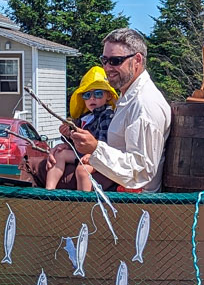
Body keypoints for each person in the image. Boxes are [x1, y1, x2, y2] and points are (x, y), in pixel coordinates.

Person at [61, 28, 172, 192]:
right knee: (39, 165)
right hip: (116, 192)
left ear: (137, 60)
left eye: (115, 61)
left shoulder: (144, 105)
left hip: (132, 204)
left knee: (37, 170)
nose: (107, 67)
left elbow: (141, 172)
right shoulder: (128, 98)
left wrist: (95, 148)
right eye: (104, 60)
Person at [42, 66, 117, 191]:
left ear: (108, 96)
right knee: (60, 154)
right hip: (82, 154)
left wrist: (93, 153)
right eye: (87, 95)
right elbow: (76, 141)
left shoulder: (107, 115)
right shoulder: (85, 117)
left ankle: (83, 204)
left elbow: (106, 140)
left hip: (100, 156)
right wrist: (67, 137)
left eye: (98, 93)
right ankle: (49, 191)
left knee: (83, 170)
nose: (92, 98)